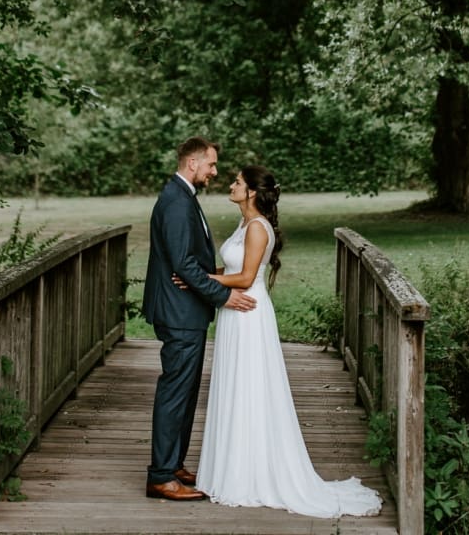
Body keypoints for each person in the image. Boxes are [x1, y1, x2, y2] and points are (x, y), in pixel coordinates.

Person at [188, 166, 382, 518]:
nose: (231, 185)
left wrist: (198, 278)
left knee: (250, 388)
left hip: (248, 313)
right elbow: (231, 270)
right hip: (234, 313)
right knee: (236, 387)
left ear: (251, 192)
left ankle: (251, 475)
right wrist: (205, 275)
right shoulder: (245, 223)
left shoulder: (257, 227)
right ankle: (235, 468)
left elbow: (246, 277)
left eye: (237, 182)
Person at [141, 136, 257, 501]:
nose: (215, 171)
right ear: (193, 163)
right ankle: (161, 476)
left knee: (186, 391)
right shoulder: (176, 202)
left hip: (186, 310)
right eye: (211, 164)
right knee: (176, 391)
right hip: (178, 311)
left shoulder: (183, 196)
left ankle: (173, 463)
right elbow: (184, 264)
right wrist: (224, 295)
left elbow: (190, 261)